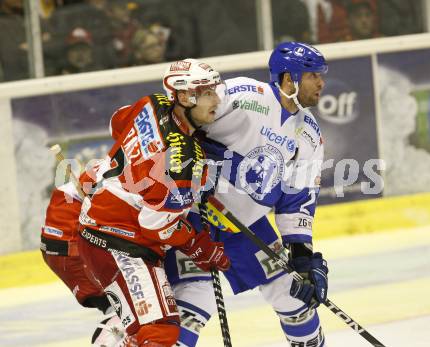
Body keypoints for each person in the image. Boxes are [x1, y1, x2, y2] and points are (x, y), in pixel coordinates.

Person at [164, 42, 329, 347]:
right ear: (289, 77)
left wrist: (303, 258)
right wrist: (209, 164)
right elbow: (186, 120)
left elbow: (298, 200)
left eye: (321, 75)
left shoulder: (309, 134)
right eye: (312, 75)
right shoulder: (243, 93)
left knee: (294, 297)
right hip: (193, 220)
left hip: (246, 226)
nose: (321, 83)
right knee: (192, 303)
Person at [77, 59, 231, 347]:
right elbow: (156, 226)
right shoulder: (184, 159)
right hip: (118, 242)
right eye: (208, 93)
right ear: (184, 97)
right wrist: (198, 245)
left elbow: (117, 124)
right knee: (159, 330)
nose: (217, 99)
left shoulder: (151, 102)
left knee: (145, 331)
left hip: (97, 231)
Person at [41, 170, 126, 346]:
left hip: (62, 243)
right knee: (124, 312)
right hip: (72, 247)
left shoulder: (121, 162)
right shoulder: (128, 171)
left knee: (123, 307)